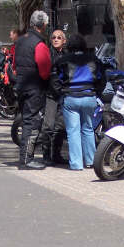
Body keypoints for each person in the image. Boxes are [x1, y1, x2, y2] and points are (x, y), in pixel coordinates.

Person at [50, 33, 105, 171]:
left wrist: (60, 94)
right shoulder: (94, 59)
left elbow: (55, 80)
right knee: (88, 129)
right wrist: (96, 93)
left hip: (70, 97)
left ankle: (76, 164)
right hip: (89, 96)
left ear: (69, 45)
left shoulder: (62, 60)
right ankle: (91, 161)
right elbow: (102, 79)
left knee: (73, 131)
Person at [13, 10, 52, 170]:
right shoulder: (40, 44)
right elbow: (45, 71)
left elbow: (14, 65)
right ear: (43, 25)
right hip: (35, 89)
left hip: (21, 86)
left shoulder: (20, 41)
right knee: (33, 123)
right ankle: (27, 159)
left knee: (26, 121)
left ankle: (25, 158)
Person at [39, 29, 68, 166]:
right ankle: (46, 155)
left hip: (64, 94)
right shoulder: (48, 54)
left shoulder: (67, 55)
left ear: (64, 41)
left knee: (61, 126)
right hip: (50, 94)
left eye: (59, 37)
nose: (56, 39)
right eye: (53, 37)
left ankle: (56, 154)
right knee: (48, 126)